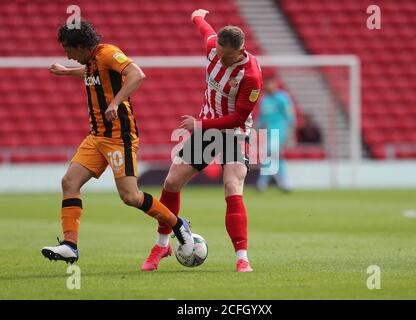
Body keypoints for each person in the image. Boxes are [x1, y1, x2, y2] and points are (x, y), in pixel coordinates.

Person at [41, 20, 194, 267]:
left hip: (118, 137)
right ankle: (70, 245)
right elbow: (92, 74)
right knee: (69, 182)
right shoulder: (91, 62)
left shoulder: (108, 53)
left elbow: (136, 74)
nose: (67, 54)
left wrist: (116, 103)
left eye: (68, 50)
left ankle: (178, 224)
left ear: (80, 45)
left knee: (131, 196)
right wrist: (67, 72)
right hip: (96, 137)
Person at [140, 9, 263, 273]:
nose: (219, 57)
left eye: (225, 56)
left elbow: (239, 118)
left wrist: (199, 124)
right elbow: (205, 29)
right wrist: (198, 15)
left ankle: (242, 257)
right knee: (171, 182)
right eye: (217, 51)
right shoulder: (213, 47)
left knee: (232, 185)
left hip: (234, 134)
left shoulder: (250, 75)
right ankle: (162, 245)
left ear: (239, 52)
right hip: (207, 131)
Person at [255, 75, 295, 192]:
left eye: (271, 83)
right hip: (268, 132)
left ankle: (264, 183)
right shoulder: (264, 100)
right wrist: (256, 128)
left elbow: (289, 114)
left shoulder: (282, 98)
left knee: (271, 154)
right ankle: (280, 183)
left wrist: (290, 130)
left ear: (276, 84)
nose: (269, 86)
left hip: (280, 130)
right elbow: (262, 117)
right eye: (267, 84)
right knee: (273, 157)